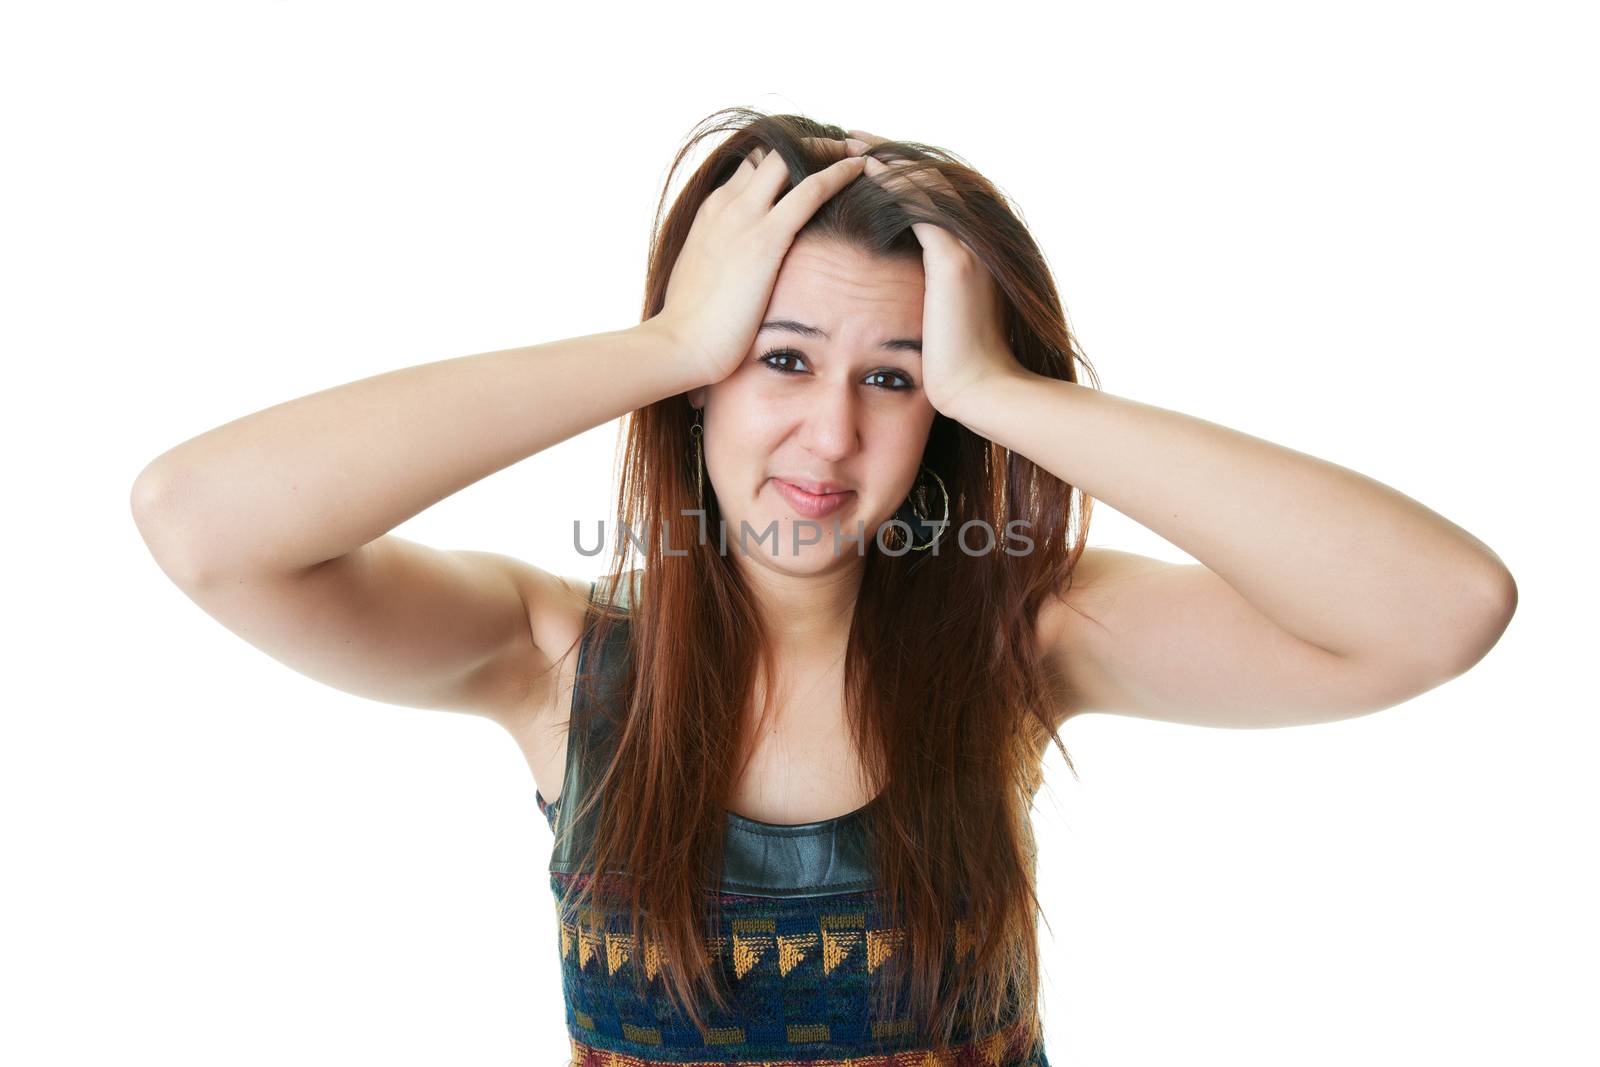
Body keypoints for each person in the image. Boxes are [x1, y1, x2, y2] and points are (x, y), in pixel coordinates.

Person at [129, 107, 1517, 1066]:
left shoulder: (1022, 644)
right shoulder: (547, 657)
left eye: (894, 381)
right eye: (781, 360)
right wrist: (664, 341)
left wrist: (1002, 391)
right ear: (698, 387)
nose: (833, 436)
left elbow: (1437, 610)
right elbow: (201, 521)